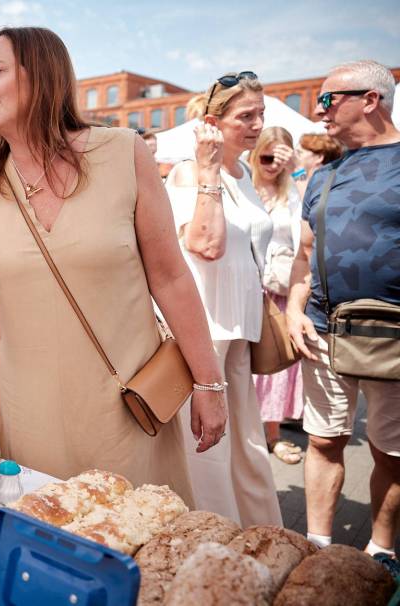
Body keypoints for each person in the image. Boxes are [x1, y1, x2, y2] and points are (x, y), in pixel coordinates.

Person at [0, 27, 227, 497]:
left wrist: (209, 383)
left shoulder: (124, 153)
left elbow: (171, 279)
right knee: (44, 527)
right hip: (31, 411)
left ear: (41, 74)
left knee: (136, 530)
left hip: (125, 404)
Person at [286, 60, 400, 555]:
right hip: (322, 331)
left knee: (392, 452)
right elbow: (304, 254)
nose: (319, 110)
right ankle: (317, 547)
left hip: (393, 337)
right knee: (323, 440)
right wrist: (293, 310)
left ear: (370, 100)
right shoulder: (324, 175)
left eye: (328, 99)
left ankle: (381, 551)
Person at [164, 71, 283, 527]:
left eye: (261, 114)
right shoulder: (187, 173)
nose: (257, 125)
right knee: (210, 451)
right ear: (213, 123)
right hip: (204, 328)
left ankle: (258, 534)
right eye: (246, 116)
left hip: (240, 328)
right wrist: (209, 168)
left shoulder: (246, 174)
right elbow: (206, 244)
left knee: (246, 444)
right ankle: (213, 539)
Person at [249, 127, 305, 465]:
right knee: (243, 366)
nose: (272, 164)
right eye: (267, 156)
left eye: (279, 159)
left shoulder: (292, 190)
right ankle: (245, 434)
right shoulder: (243, 184)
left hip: (280, 289)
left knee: (276, 365)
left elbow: (310, 224)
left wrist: (297, 170)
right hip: (249, 288)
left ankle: (272, 435)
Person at [293, 132, 343, 199]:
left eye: (299, 153)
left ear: (319, 157)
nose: (294, 157)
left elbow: (308, 203)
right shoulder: (296, 182)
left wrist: (296, 171)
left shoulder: (330, 187)